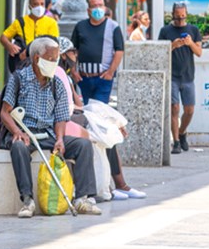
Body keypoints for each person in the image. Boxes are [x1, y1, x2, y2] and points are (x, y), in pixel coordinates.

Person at [0, 37, 101, 218]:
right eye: (52, 59)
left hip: (47, 134)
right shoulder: (19, 79)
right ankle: (27, 200)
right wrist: (17, 132)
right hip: (25, 132)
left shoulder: (56, 83)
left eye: (57, 60)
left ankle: (82, 198)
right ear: (37, 59)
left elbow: (61, 117)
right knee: (18, 147)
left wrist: (60, 139)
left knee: (83, 145)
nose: (56, 64)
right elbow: (5, 112)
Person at [56, 37, 146, 201]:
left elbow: (77, 102)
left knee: (107, 128)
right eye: (72, 52)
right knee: (105, 131)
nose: (75, 56)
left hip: (74, 115)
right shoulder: (58, 74)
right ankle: (116, 186)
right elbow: (69, 106)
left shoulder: (65, 76)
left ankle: (118, 186)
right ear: (63, 55)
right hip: (66, 119)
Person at [158, 1, 203, 154]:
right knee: (174, 108)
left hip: (188, 76)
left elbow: (199, 52)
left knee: (189, 110)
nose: (181, 20)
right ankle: (176, 141)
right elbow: (159, 53)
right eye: (178, 18)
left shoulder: (193, 30)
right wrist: (173, 45)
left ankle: (182, 132)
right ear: (172, 16)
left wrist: (190, 43)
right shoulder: (165, 31)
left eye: (183, 17)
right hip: (172, 75)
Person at [71, 0, 125, 104]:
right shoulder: (80, 26)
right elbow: (73, 50)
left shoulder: (114, 27)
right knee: (87, 110)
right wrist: (73, 71)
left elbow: (119, 50)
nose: (97, 8)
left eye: (100, 5)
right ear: (88, 10)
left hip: (103, 77)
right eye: (94, 6)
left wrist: (110, 72)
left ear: (105, 8)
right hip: (84, 78)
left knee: (99, 111)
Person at [0, 0, 59, 72]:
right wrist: (10, 46)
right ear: (29, 6)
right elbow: (3, 37)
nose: (39, 7)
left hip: (43, 63)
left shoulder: (51, 23)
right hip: (23, 63)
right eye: (36, 4)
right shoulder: (20, 22)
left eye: (42, 4)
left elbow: (53, 43)